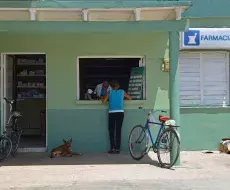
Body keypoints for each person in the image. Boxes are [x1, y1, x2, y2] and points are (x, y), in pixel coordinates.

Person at [102, 80, 132, 154]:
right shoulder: (122, 92)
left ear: (111, 87)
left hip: (112, 113)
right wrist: (122, 98)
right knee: (118, 131)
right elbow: (130, 98)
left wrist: (105, 98)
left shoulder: (110, 92)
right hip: (120, 113)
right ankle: (117, 149)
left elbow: (104, 102)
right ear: (118, 86)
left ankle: (112, 148)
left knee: (111, 131)